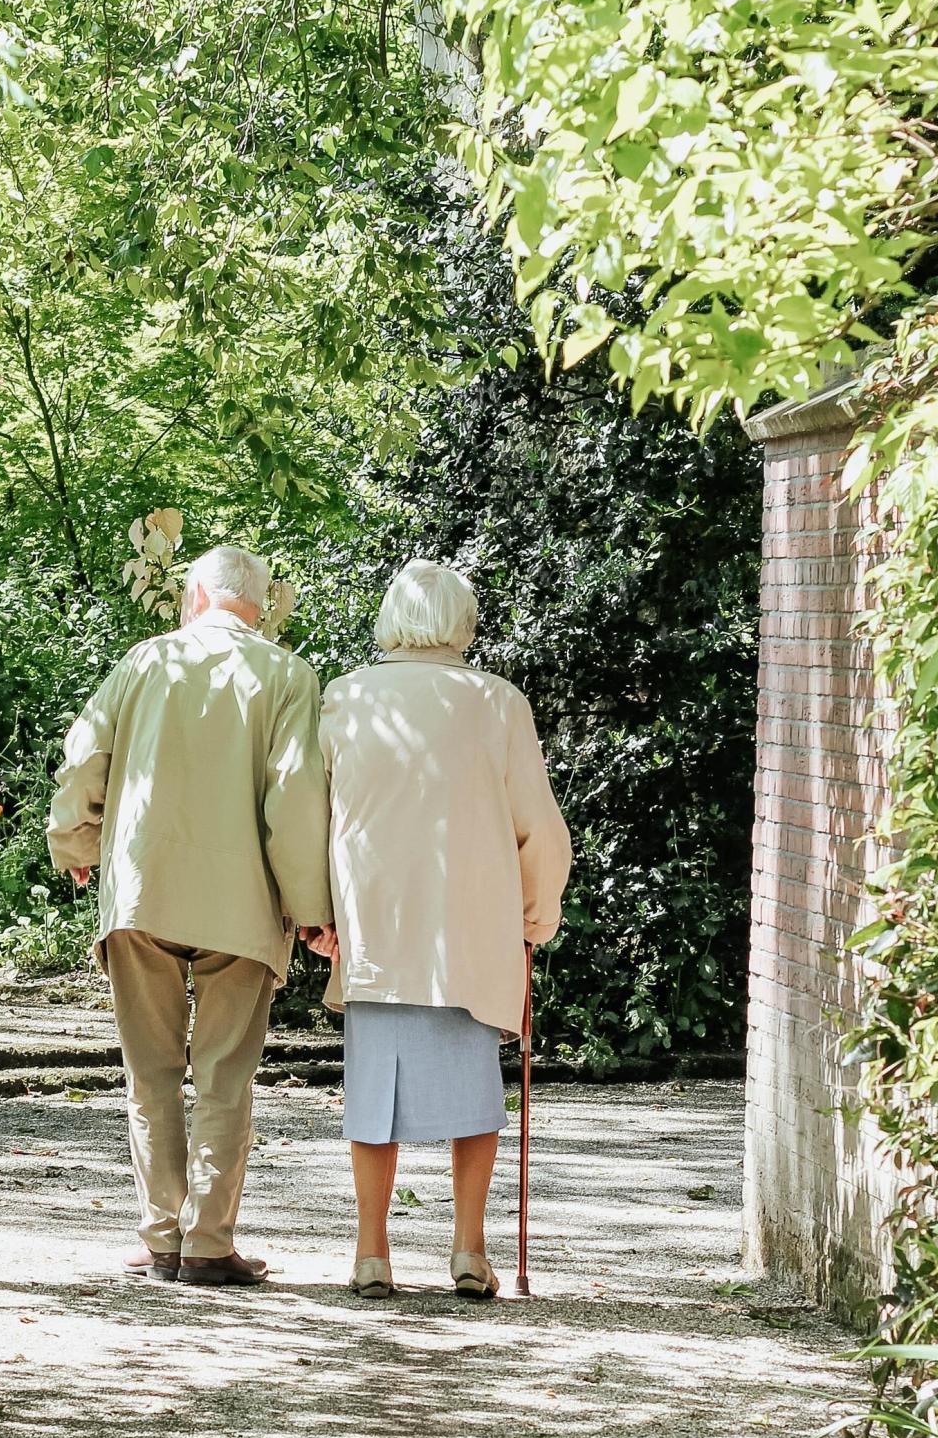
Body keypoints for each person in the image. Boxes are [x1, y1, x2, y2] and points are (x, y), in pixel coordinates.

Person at [47, 544, 332, 1287]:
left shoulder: (144, 661)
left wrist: (74, 841)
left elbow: (84, 758)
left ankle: (161, 1238)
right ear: (260, 607)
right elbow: (295, 798)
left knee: (150, 1073)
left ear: (195, 596)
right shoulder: (288, 675)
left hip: (143, 892)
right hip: (242, 902)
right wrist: (310, 909)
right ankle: (207, 1242)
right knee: (224, 1077)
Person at [313, 559, 571, 1300]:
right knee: (474, 1094)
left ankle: (371, 1252)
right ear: (463, 622)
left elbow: (313, 816)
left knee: (372, 1096)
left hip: (376, 925)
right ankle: (468, 1248)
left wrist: (317, 914)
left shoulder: (346, 697)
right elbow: (539, 828)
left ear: (391, 618)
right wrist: (536, 914)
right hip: (471, 928)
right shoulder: (497, 702)